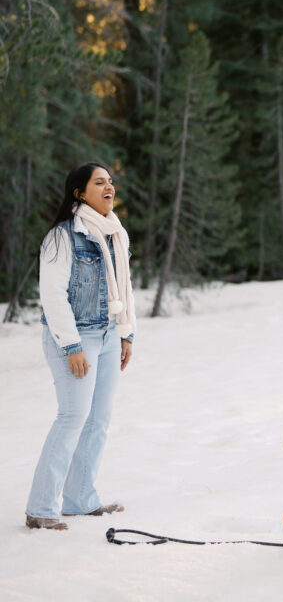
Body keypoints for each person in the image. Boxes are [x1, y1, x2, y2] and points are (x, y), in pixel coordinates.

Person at [25, 162, 136, 530]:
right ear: (79, 192)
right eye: (99, 182)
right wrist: (71, 346)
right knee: (72, 417)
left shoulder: (114, 233)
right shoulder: (62, 236)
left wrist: (126, 333)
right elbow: (52, 295)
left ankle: (80, 499)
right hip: (75, 336)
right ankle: (41, 509)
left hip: (107, 335)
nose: (109, 187)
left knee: (98, 420)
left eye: (111, 182)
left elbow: (125, 287)